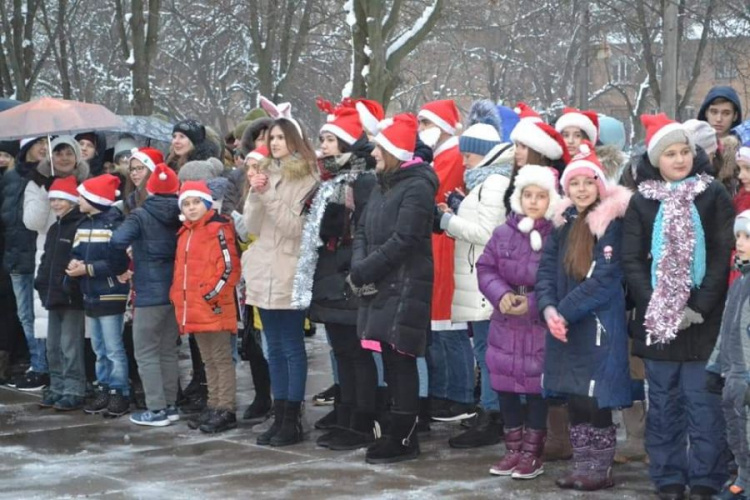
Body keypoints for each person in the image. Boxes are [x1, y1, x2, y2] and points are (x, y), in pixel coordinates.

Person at [622, 114, 734, 500]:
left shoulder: (713, 194)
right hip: (658, 322)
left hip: (704, 323)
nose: (680, 159)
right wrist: (658, 304)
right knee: (665, 404)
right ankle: (668, 475)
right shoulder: (641, 201)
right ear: (657, 160)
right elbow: (632, 260)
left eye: (685, 151)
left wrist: (698, 307)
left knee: (703, 405)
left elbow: (722, 254)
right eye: (670, 153)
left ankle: (706, 477)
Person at [536, 143, 633, 491]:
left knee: (595, 398)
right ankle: (582, 464)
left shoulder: (610, 225)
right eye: (574, 184)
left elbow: (604, 278)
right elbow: (546, 271)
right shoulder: (562, 225)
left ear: (599, 186)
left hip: (597, 325)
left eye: (587, 183)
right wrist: (548, 308)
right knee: (574, 395)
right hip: (564, 325)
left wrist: (562, 311)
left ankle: (599, 468)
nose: (581, 190)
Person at [350, 113, 439, 464]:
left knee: (401, 359)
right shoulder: (380, 184)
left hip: (405, 285)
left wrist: (365, 269)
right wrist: (359, 266)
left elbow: (406, 239)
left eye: (379, 149)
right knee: (388, 357)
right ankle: (395, 428)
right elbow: (361, 229)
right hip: (378, 284)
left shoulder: (417, 186)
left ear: (394, 151)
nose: (373, 154)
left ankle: (404, 436)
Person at [294, 104, 379, 451]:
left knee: (357, 353)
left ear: (346, 144)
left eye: (330, 139)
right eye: (323, 139)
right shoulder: (330, 180)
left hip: (349, 279)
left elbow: (364, 231)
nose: (324, 145)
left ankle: (362, 421)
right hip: (331, 277)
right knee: (342, 351)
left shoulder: (362, 180)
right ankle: (346, 414)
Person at [435, 100, 512, 447]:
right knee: (485, 349)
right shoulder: (485, 182)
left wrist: (447, 221)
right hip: (479, 280)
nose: (463, 160)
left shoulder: (492, 184)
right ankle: (490, 410)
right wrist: (456, 208)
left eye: (469, 155)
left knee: (487, 350)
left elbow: (486, 232)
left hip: (484, 282)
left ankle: (494, 414)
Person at [242, 100, 318, 447]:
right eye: (270, 137)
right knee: (272, 346)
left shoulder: (309, 178)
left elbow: (294, 228)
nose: (274, 143)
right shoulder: (265, 175)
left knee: (289, 345)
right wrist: (255, 194)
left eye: (280, 137)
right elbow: (251, 226)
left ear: (295, 140)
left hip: (290, 267)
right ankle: (279, 413)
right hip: (264, 268)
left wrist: (267, 194)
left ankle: (293, 419)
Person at [478, 164, 560, 479]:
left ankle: (532, 453)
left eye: (541, 196)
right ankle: (512, 450)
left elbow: (558, 278)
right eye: (528, 195)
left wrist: (534, 303)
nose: (534, 201)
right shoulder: (502, 233)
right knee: (505, 385)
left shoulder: (556, 235)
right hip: (506, 319)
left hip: (538, 322)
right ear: (518, 197)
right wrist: (501, 296)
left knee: (536, 388)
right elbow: (486, 268)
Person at [506, 103, 572, 461]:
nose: (515, 152)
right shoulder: (515, 196)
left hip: (543, 298)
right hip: (515, 300)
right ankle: (528, 440)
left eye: (520, 146)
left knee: (546, 368)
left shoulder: (554, 204)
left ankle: (555, 436)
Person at [110, 164, 182, 427]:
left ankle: (156, 409)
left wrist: (120, 268)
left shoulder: (140, 215)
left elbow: (117, 241)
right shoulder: (183, 213)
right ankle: (171, 405)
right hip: (175, 293)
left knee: (146, 352)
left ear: (150, 188)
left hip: (149, 294)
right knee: (167, 351)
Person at [418, 99, 474, 422]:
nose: (422, 130)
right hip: (438, 244)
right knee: (439, 329)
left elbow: (433, 196)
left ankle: (460, 395)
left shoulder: (450, 157)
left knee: (450, 328)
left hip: (447, 246)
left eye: (426, 124)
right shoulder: (442, 156)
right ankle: (444, 392)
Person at [171, 180, 241, 433]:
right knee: (207, 360)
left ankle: (227, 407)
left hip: (214, 305)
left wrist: (211, 295)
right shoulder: (186, 233)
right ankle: (214, 404)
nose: (191, 208)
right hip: (196, 308)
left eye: (196, 202)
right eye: (186, 204)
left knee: (221, 358)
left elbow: (228, 267)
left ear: (207, 203)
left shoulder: (218, 228)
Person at [23, 136, 90, 391]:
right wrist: (46, 193)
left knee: (75, 338)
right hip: (49, 264)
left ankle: (77, 385)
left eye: (69, 153)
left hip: (76, 265)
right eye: (58, 152)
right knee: (54, 338)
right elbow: (32, 222)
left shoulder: (87, 182)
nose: (63, 158)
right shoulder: (37, 183)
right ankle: (59, 383)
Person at [68, 174, 131, 418]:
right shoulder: (84, 224)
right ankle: (103, 387)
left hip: (110, 293)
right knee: (99, 347)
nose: (78, 200)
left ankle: (119, 391)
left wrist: (88, 269)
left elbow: (118, 262)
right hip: (90, 293)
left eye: (82, 196)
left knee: (113, 347)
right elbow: (77, 250)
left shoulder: (114, 226)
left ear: (95, 199)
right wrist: (74, 261)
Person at [34, 176, 86, 410]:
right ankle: (57, 385)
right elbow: (47, 258)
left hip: (70, 295)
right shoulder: (55, 228)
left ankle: (74, 389)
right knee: (52, 345)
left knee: (69, 345)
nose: (55, 204)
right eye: (53, 199)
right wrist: (41, 281)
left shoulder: (79, 225)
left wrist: (69, 283)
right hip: (52, 294)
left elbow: (79, 258)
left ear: (72, 201)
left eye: (60, 199)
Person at [2, 137, 47, 390]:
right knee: (25, 315)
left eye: (45, 143)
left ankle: (42, 366)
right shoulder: (9, 177)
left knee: (42, 315)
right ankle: (35, 362)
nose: (42, 147)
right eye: (37, 142)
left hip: (40, 254)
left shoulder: (46, 176)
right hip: (15, 256)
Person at [712, 210, 750, 500]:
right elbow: (727, 327)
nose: (740, 242)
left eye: (747, 236)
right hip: (733, 373)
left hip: (747, 374)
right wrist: (715, 366)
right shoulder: (739, 282)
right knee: (736, 432)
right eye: (738, 235)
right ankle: (744, 478)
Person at [123, 147, 164, 214]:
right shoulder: (131, 199)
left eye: (139, 168)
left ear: (152, 170)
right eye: (132, 169)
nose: (134, 173)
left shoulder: (163, 199)